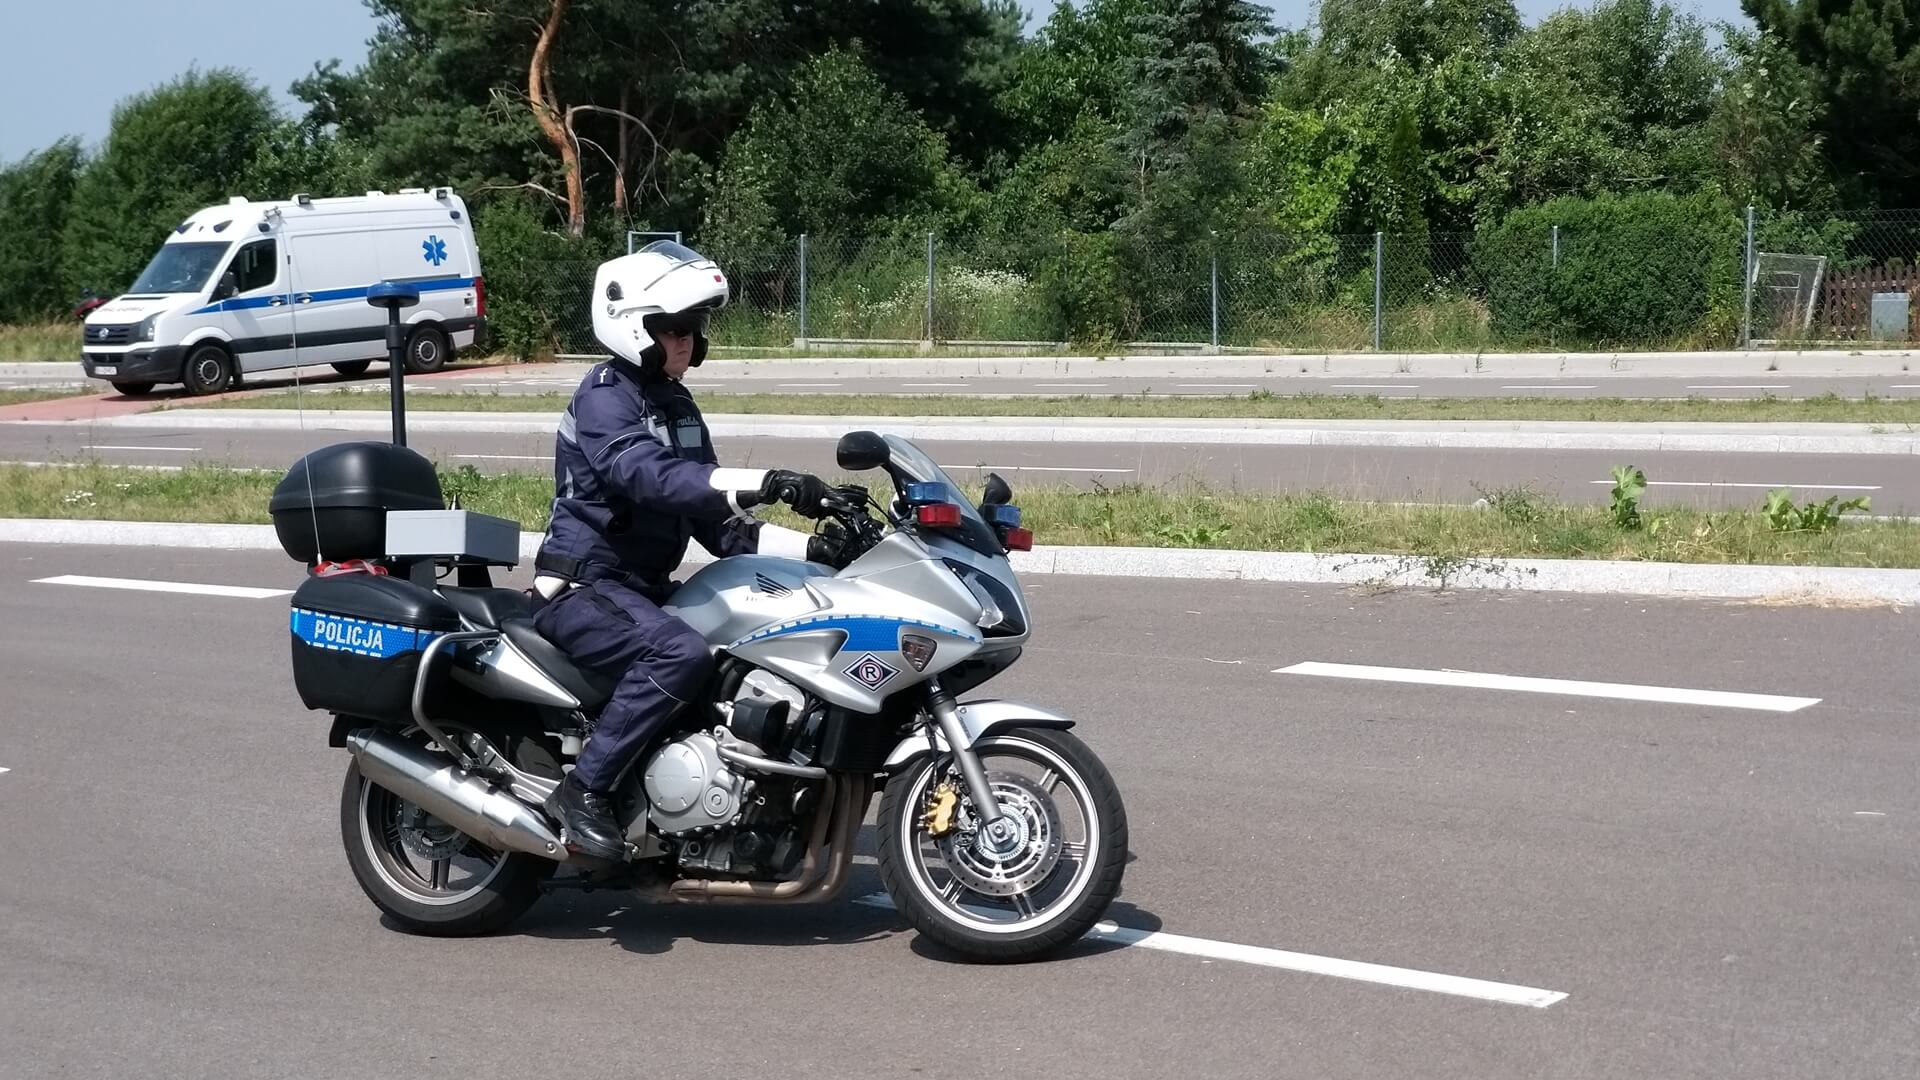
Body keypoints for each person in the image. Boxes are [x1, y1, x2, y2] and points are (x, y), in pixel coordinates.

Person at [532, 241, 829, 860]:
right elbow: (645, 475)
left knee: (741, 652)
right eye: (672, 328)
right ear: (631, 326)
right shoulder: (605, 395)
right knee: (678, 652)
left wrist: (819, 549)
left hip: (637, 590)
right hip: (585, 587)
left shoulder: (676, 403)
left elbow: (717, 524)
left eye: (693, 328)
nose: (687, 341)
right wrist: (760, 481)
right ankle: (583, 789)